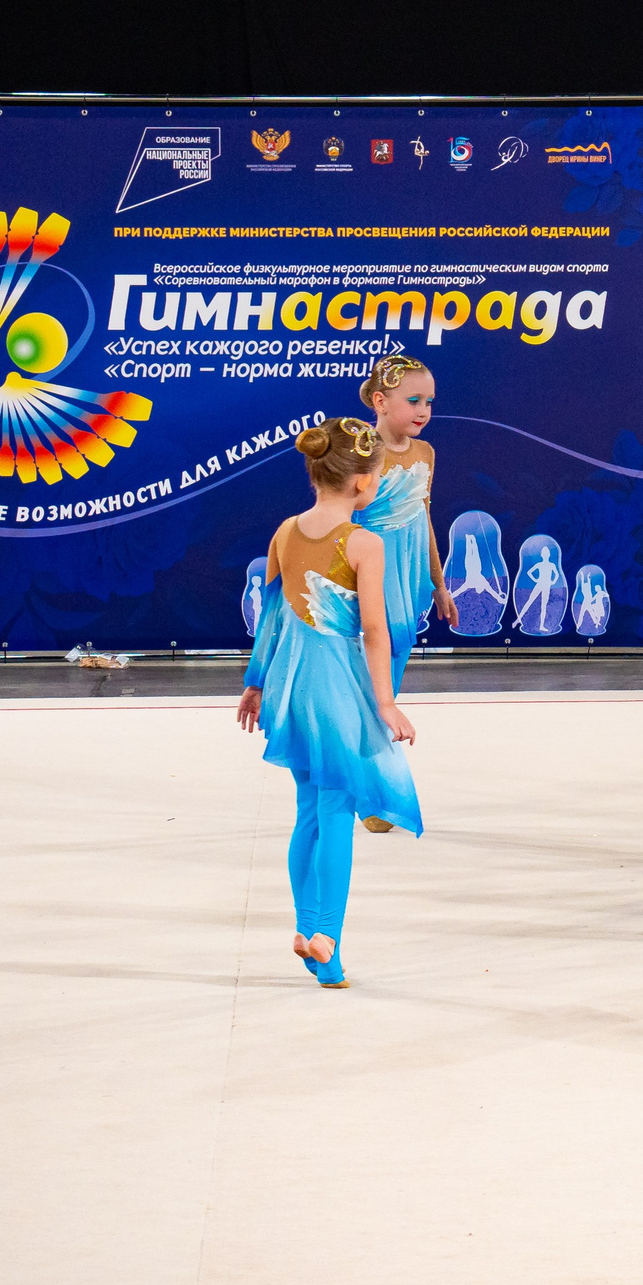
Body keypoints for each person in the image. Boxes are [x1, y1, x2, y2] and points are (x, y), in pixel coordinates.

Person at [234, 419, 420, 990]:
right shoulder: (365, 544)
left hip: (293, 690)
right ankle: (327, 940)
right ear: (364, 483)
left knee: (309, 811)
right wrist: (386, 703)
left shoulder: (285, 532)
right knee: (339, 810)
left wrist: (256, 682)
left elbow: (268, 616)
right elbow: (374, 631)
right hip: (339, 693)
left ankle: (309, 931)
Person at [353, 353, 454, 833]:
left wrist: (437, 582)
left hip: (409, 576)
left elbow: (424, 518)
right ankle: (374, 790)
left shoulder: (426, 453)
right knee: (373, 682)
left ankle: (370, 782)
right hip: (369, 573)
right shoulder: (359, 452)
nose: (423, 410)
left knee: (387, 679)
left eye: (429, 402)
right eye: (413, 400)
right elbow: (340, 519)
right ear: (380, 400)